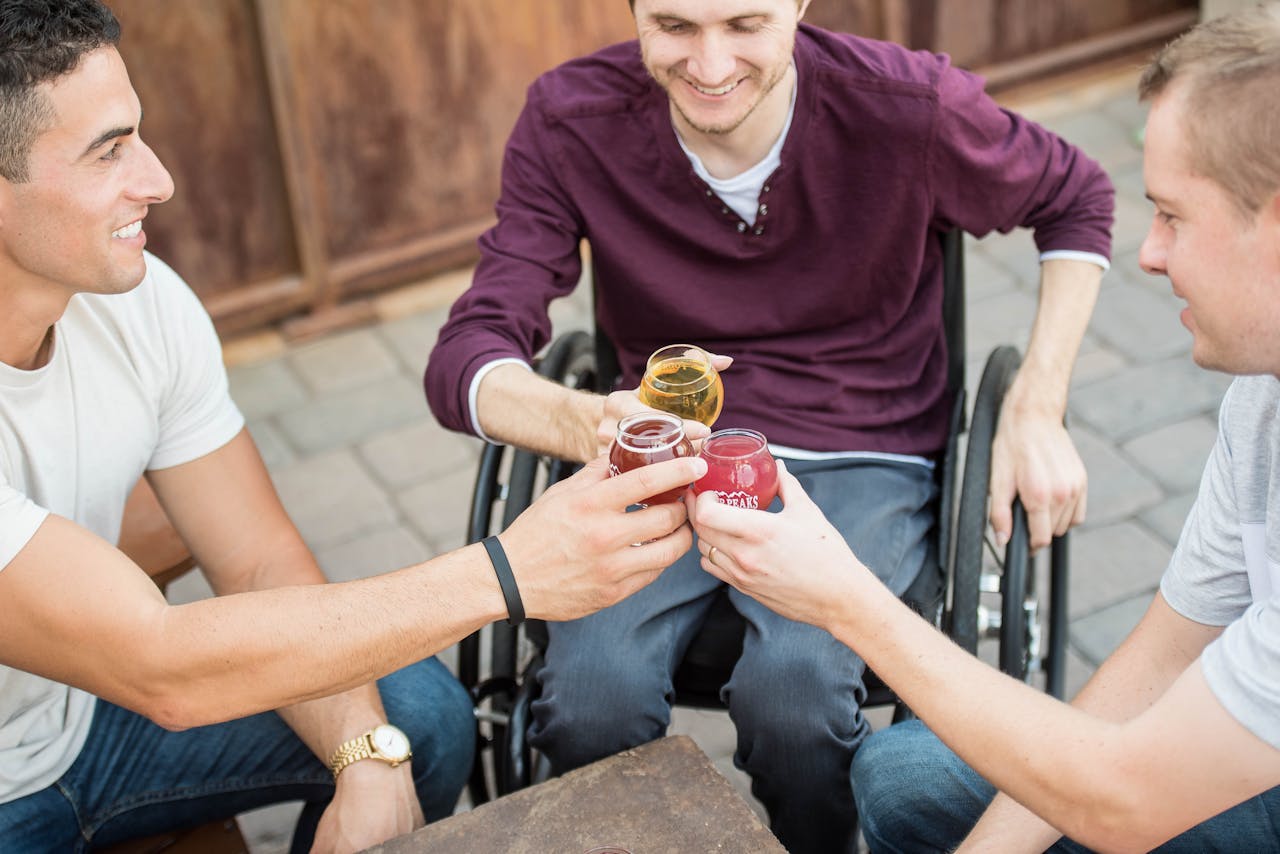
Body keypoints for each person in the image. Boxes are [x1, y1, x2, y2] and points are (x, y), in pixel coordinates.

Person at [0, 2, 707, 852]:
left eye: (137, 136)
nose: (158, 179)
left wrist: (364, 755)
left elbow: (258, 560)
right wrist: (511, 572)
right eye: (108, 152)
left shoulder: (140, 302)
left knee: (417, 719)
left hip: (84, 729)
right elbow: (162, 667)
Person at [424, 0, 1113, 850]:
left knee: (797, 693)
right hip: (668, 449)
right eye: (674, 26)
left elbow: (1077, 197)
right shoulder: (573, 119)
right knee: (586, 698)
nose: (710, 65)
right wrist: (584, 423)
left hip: (862, 444)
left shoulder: (907, 107)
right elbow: (465, 358)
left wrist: (1036, 404)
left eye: (745, 23)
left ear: (797, 5)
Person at [689, 4, 1280, 851]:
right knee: (905, 776)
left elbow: (1125, 801)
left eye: (1174, 216)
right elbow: (1161, 661)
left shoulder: (900, 103)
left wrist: (845, 599)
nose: (1147, 254)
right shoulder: (1262, 394)